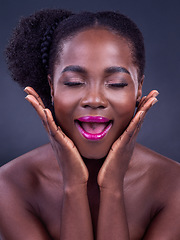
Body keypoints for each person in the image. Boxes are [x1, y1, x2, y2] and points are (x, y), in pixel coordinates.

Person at [0, 9, 180, 240]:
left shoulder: (174, 185)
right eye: (74, 82)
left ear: (139, 89)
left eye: (115, 83)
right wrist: (73, 187)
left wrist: (112, 188)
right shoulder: (10, 185)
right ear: (52, 87)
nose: (94, 99)